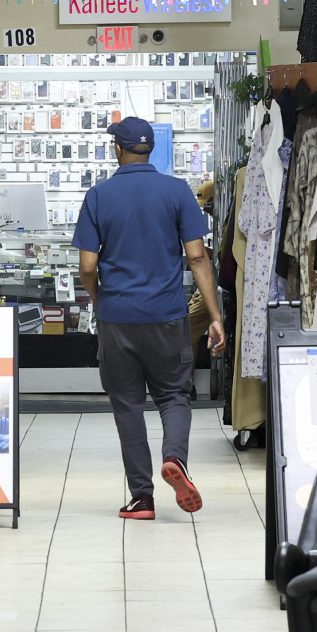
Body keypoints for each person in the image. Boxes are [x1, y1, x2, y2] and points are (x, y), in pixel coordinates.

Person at [73, 115, 226, 519]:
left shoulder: (99, 196)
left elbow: (88, 265)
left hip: (117, 318)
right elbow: (197, 256)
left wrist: (99, 297)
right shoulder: (177, 192)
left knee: (127, 405)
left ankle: (142, 497)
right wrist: (215, 316)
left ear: (117, 149)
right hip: (167, 315)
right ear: (150, 150)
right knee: (174, 395)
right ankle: (175, 458)